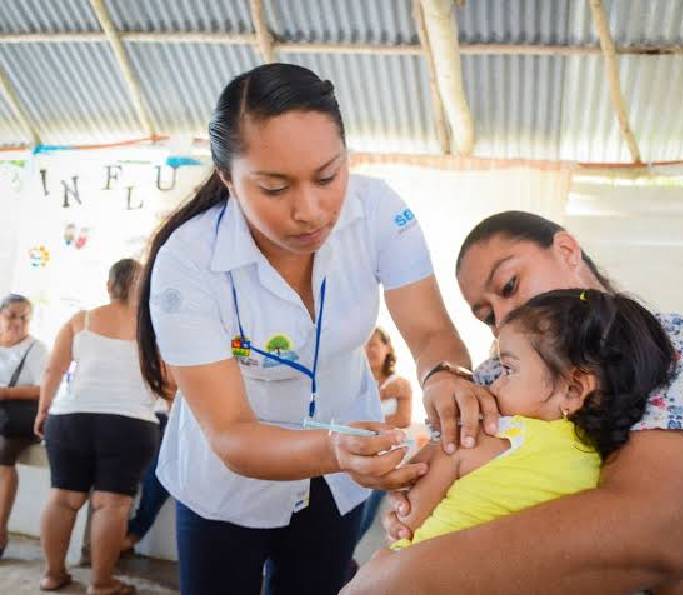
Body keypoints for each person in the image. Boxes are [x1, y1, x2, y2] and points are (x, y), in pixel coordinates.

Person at [136, 63, 491, 595]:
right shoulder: (187, 262)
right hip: (228, 484)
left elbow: (429, 330)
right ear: (227, 178)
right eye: (275, 188)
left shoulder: (378, 212)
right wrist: (337, 450)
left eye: (328, 177)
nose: (311, 210)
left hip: (338, 484)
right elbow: (232, 434)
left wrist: (444, 374)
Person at [344, 210, 683, 593]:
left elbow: (658, 532)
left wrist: (405, 577)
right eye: (487, 316)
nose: (505, 316)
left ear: (566, 250)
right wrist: (407, 492)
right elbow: (438, 477)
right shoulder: (496, 378)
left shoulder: (673, 348)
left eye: (509, 285)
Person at [390, 289, 673, 551]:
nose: (494, 385)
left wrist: (411, 495)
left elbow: (407, 522)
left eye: (508, 369)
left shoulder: (502, 432)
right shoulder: (600, 464)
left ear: (573, 391)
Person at [35, 259, 161, 594]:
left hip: (70, 418)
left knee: (63, 497)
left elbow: (53, 370)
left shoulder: (81, 319)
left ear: (109, 285)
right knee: (112, 504)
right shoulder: (153, 325)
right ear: (143, 287)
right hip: (129, 422)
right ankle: (102, 583)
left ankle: (52, 574)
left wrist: (43, 410)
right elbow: (170, 381)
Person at [0, 293, 48, 559]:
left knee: (3, 456)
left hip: (19, 419)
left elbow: (42, 388)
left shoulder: (36, 348)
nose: (17, 323)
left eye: (24, 318)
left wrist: (5, 393)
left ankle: (0, 530)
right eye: (11, 317)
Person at [357, 327, 412, 543]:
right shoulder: (355, 384)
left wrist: (368, 424)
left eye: (374, 344)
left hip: (384, 462)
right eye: (365, 344)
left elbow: (403, 420)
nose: (369, 349)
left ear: (387, 348)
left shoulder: (399, 384)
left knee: (363, 517)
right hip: (354, 458)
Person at [121, 392, 173, 555]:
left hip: (163, 416)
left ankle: (130, 536)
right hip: (134, 414)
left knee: (158, 480)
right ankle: (122, 536)